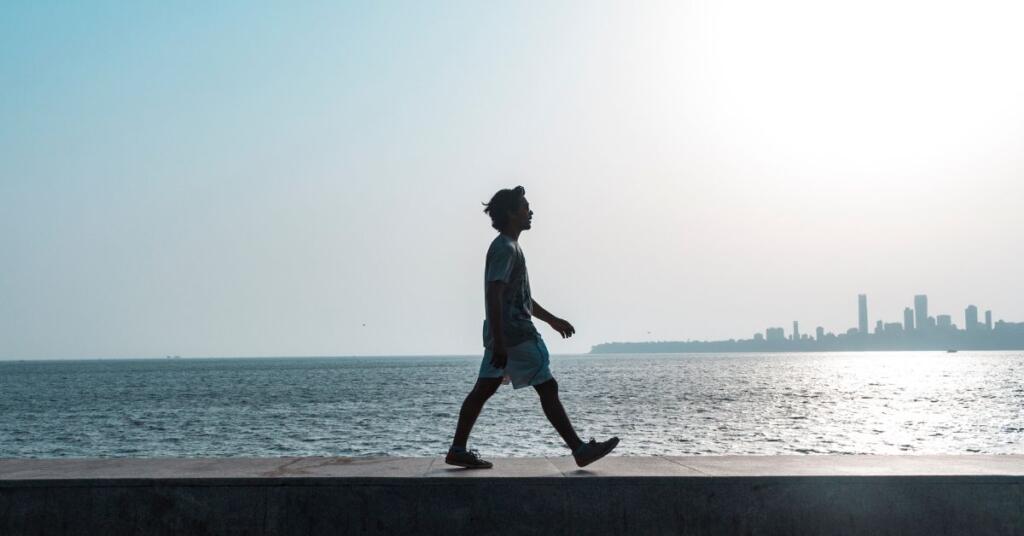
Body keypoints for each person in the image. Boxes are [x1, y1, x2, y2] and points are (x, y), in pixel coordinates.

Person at [445, 186, 619, 469]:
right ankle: (579, 449)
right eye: (525, 207)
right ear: (512, 213)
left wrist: (551, 319)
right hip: (515, 336)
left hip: (504, 335)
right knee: (547, 387)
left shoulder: (509, 247)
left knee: (484, 389)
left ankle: (457, 449)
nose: (531, 212)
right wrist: (501, 343)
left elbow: (519, 296)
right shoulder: (505, 248)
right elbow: (494, 294)